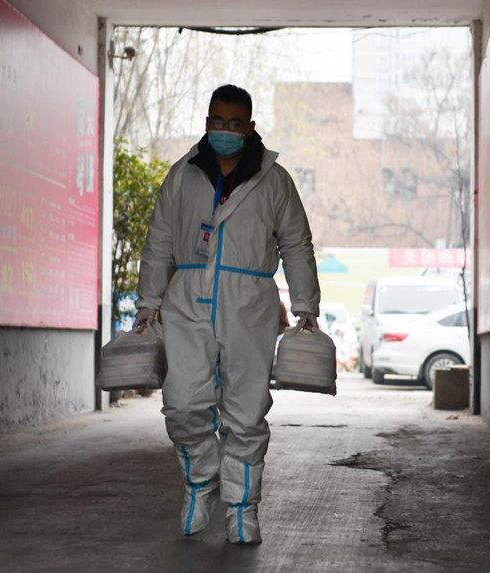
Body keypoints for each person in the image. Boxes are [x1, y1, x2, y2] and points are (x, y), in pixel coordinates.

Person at [133, 84, 320, 545]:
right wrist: (147, 302)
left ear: (250, 127)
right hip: (188, 297)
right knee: (181, 403)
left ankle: (241, 508)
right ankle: (200, 482)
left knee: (246, 412)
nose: (224, 132)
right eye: (216, 122)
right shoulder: (182, 174)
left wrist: (305, 306)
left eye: (234, 124)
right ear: (207, 122)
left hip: (250, 301)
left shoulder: (274, 180)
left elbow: (296, 243)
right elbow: (159, 241)